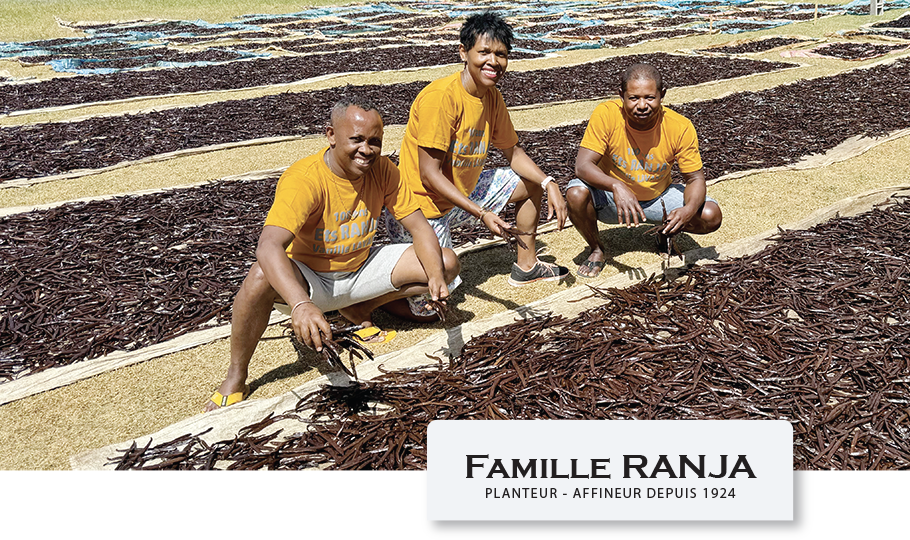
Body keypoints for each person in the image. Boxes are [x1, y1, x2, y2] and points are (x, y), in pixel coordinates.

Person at [204, 97, 460, 412]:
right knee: (259, 276)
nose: (366, 150)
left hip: (360, 269)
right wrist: (300, 304)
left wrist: (435, 279)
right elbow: (268, 245)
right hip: (312, 283)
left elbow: (421, 229)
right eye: (357, 140)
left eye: (375, 141)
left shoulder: (384, 171)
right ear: (331, 135)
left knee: (446, 262)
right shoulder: (305, 178)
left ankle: (359, 307)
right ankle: (236, 373)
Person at [382, 11, 569, 289]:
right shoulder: (441, 99)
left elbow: (513, 152)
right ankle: (362, 304)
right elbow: (429, 174)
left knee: (530, 181)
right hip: (421, 209)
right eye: (484, 52)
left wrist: (548, 182)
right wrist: (481, 213)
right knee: (438, 292)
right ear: (463, 53)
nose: (493, 61)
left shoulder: (491, 97)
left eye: (501, 54)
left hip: (459, 197)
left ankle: (527, 267)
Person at [566, 63, 723, 278]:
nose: (641, 105)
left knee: (710, 215)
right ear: (621, 95)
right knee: (575, 194)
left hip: (659, 198)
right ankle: (596, 248)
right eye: (633, 98)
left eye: (649, 97)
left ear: (662, 95)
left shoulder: (680, 126)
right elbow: (582, 166)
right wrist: (616, 185)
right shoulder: (606, 114)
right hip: (613, 200)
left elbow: (695, 178)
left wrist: (687, 212)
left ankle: (663, 233)